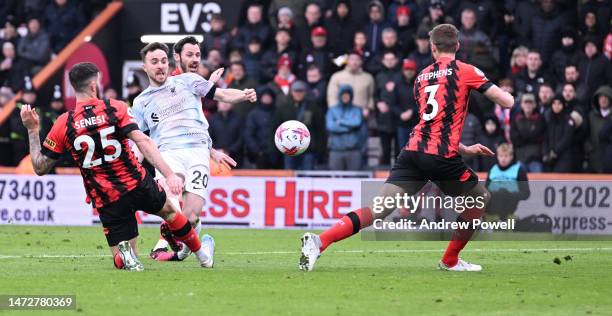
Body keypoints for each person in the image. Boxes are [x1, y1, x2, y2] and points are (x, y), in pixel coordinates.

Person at [300, 24, 514, 272]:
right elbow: (506, 102)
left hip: (413, 151)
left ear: (433, 48)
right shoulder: (466, 71)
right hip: (440, 155)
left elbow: (431, 122)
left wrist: (464, 148)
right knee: (479, 200)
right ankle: (450, 261)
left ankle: (320, 241)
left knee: (379, 209)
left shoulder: (421, 78)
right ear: (457, 46)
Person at [20, 62, 210, 271]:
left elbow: (39, 167)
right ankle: (203, 256)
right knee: (172, 213)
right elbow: (143, 141)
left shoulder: (64, 123)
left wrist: (32, 129)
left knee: (123, 258)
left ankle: (125, 255)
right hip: (137, 182)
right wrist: (169, 174)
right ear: (94, 86)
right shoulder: (115, 107)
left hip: (106, 198)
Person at [132, 41, 256, 263]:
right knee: (172, 204)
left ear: (169, 64)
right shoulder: (141, 102)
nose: (160, 66)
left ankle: (194, 248)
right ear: (145, 67)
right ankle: (191, 248)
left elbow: (222, 95)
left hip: (198, 153)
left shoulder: (188, 81)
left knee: (190, 216)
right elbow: (141, 141)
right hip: (168, 154)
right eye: (154, 62)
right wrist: (131, 167)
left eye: (163, 61)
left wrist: (244, 94)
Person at [272, 80, 325, 170]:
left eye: (301, 91)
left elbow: (320, 129)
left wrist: (318, 148)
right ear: (291, 92)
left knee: (307, 178)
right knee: (289, 178)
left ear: (305, 92)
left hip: (308, 149)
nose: (298, 93)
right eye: (296, 91)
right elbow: (275, 128)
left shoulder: (313, 107)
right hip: (288, 149)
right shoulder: (284, 108)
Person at [485, 143, 530, 221]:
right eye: (501, 156)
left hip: (510, 203)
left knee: (503, 192)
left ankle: (503, 220)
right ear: (497, 156)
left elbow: (526, 193)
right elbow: (485, 191)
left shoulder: (519, 170)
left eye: (506, 156)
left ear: (511, 157)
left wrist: (510, 194)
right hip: (492, 203)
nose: (503, 159)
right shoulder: (493, 169)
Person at [326, 84, 363, 170]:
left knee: (354, 180)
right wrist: (349, 128)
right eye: (343, 94)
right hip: (336, 150)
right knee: (336, 180)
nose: (346, 96)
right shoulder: (332, 110)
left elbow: (357, 123)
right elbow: (330, 126)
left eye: (348, 94)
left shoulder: (356, 109)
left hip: (353, 150)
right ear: (340, 95)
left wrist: (340, 121)